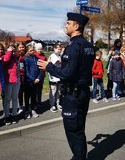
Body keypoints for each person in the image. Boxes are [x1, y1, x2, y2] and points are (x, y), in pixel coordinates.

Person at [37, 12, 95, 160]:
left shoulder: (74, 46)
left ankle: (79, 157)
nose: (65, 25)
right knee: (79, 129)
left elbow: (68, 73)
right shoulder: (88, 45)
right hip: (83, 93)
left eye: (68, 23)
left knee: (73, 131)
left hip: (73, 95)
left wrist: (49, 66)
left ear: (76, 26)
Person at [2, 44, 20, 125]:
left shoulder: (16, 58)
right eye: (11, 50)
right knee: (7, 99)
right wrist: (9, 51)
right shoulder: (5, 57)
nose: (13, 52)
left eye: (14, 50)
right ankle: (7, 116)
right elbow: (5, 61)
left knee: (15, 98)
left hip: (16, 80)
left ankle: (14, 114)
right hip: (8, 80)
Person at [24, 44, 43, 119]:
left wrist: (38, 78)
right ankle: (27, 110)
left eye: (33, 50)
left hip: (36, 81)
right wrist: (33, 79)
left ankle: (32, 109)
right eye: (30, 50)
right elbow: (26, 71)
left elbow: (41, 69)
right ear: (27, 51)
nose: (32, 51)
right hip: (29, 82)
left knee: (33, 96)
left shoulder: (37, 58)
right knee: (27, 96)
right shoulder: (26, 59)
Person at [48, 43, 63, 113]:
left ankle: (58, 103)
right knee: (53, 92)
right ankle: (52, 105)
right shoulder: (52, 56)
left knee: (59, 91)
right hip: (53, 77)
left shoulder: (61, 55)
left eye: (60, 49)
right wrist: (60, 61)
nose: (59, 50)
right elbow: (54, 63)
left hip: (59, 77)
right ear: (54, 49)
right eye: (57, 48)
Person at [34, 43, 47, 109]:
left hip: (42, 75)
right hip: (35, 75)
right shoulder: (34, 55)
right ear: (36, 49)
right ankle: (35, 103)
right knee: (35, 90)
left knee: (39, 89)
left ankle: (39, 102)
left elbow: (46, 63)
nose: (40, 50)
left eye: (41, 49)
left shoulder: (43, 56)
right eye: (38, 49)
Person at [16, 42, 26, 114]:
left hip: (26, 77)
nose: (21, 49)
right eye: (20, 47)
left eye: (23, 47)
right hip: (19, 77)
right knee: (20, 93)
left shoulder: (26, 56)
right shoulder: (16, 56)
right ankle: (21, 106)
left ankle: (28, 106)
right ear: (17, 48)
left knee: (27, 93)